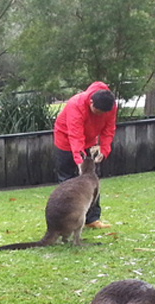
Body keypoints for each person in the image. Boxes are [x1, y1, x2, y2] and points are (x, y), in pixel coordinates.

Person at [53, 82, 117, 229]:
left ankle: (92, 220)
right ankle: (67, 220)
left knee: (91, 180)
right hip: (65, 140)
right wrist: (78, 158)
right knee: (67, 180)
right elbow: (75, 134)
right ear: (91, 102)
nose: (100, 115)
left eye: (103, 113)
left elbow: (109, 129)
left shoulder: (111, 106)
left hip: (89, 141)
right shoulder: (76, 104)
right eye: (97, 111)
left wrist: (104, 149)